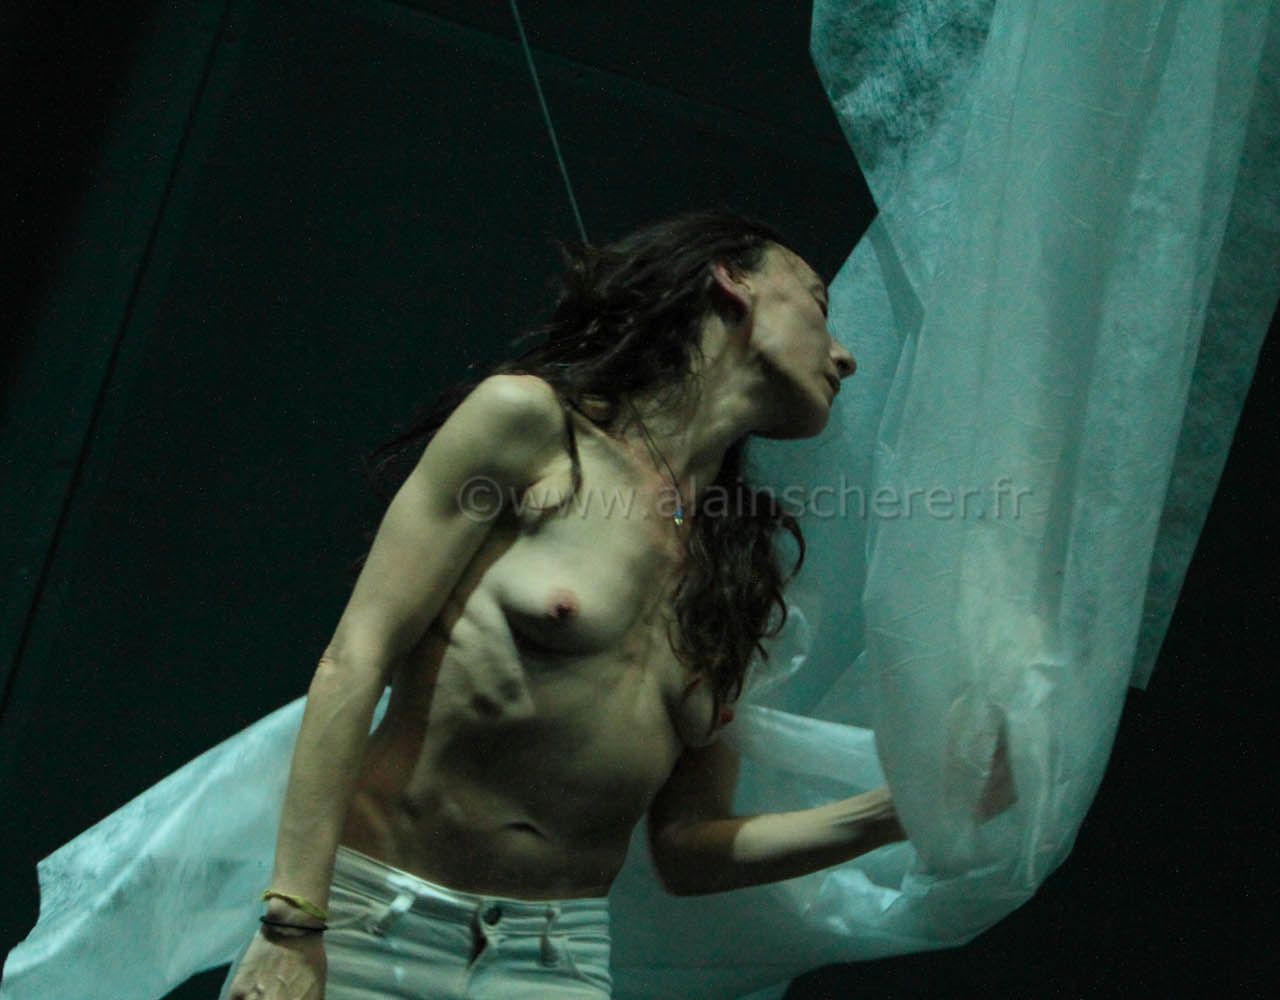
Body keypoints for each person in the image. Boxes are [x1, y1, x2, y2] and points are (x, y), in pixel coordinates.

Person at [221, 210, 896, 999]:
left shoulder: (740, 571)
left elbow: (687, 848)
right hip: (370, 926)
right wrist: (294, 921)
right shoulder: (533, 429)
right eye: (819, 304)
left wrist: (894, 814)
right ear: (732, 281)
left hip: (555, 962)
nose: (845, 355)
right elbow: (356, 653)